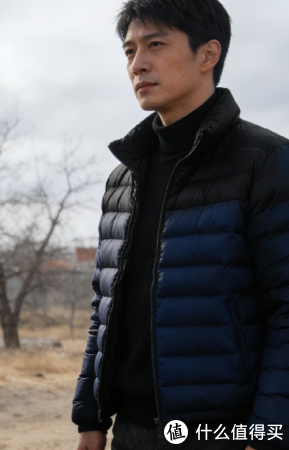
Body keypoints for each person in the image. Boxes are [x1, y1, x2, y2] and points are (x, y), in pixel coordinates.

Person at [72, 1, 289, 449]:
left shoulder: (267, 161)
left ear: (208, 54)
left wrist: (266, 435)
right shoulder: (123, 178)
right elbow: (104, 307)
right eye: (129, 50)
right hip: (130, 431)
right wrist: (90, 418)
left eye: (155, 45)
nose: (137, 64)